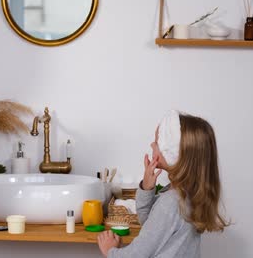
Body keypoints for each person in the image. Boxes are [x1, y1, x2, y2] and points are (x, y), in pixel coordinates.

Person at [97, 110, 229, 257]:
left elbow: (137, 255)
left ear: (172, 153)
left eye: (158, 141)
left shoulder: (171, 203)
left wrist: (110, 251)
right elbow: (150, 226)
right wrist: (146, 189)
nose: (152, 144)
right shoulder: (187, 194)